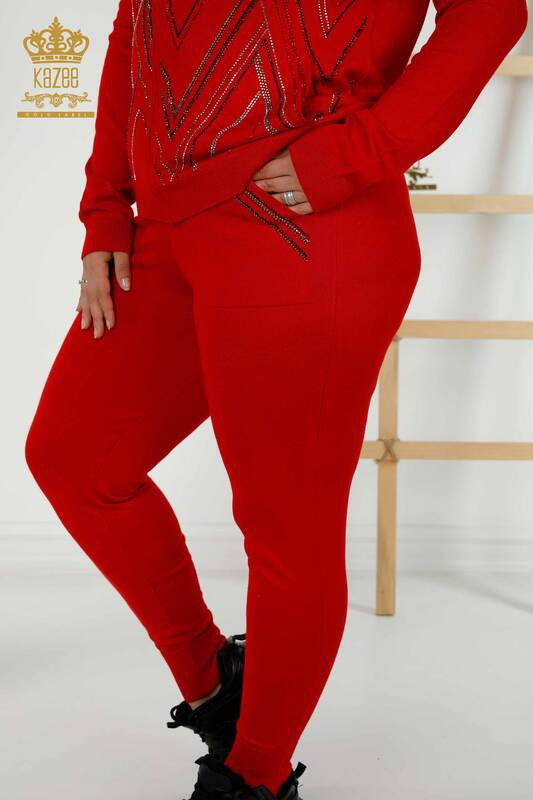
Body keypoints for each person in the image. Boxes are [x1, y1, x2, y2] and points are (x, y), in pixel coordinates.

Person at [24, 2, 527, 798]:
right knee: (75, 457)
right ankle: (219, 687)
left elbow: (490, 14)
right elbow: (135, 25)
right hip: (166, 232)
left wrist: (358, 150)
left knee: (285, 528)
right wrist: (105, 208)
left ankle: (253, 777)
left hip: (303, 232)